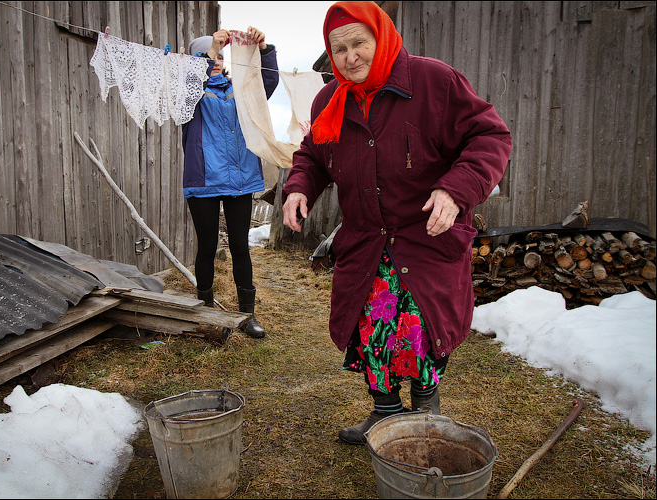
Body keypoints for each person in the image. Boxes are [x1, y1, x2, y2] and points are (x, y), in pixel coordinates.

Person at [282, 1, 512, 444]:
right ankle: (385, 413)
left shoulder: (433, 81)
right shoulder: (329, 100)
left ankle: (426, 413)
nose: (351, 57)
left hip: (425, 240)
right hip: (366, 243)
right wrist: (299, 187)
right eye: (340, 48)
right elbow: (313, 155)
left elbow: (490, 136)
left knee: (419, 331)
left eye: (359, 43)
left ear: (381, 37)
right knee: (370, 329)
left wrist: (454, 189)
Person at [183, 28, 278, 338]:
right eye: (211, 55)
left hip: (240, 179)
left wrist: (264, 49)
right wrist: (208, 53)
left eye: (221, 55)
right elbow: (186, 94)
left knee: (240, 247)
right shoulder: (189, 93)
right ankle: (206, 314)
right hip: (205, 181)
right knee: (208, 247)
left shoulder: (238, 88)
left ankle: (247, 316)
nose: (217, 60)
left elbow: (267, 84)